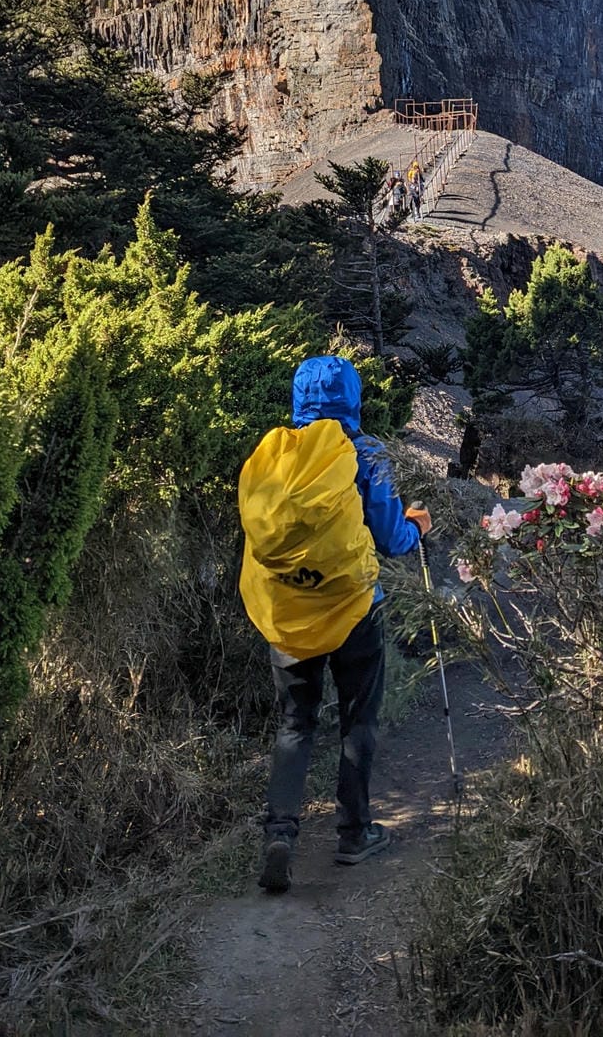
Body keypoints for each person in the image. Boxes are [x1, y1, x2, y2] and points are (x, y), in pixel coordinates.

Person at [238, 354, 431, 894]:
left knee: (294, 724)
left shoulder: (274, 456)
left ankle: (279, 833)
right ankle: (353, 833)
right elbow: (393, 540)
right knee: (357, 719)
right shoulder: (366, 453)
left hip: (287, 614)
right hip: (352, 609)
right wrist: (418, 526)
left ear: (298, 400)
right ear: (353, 398)